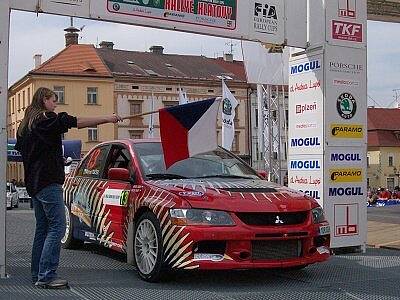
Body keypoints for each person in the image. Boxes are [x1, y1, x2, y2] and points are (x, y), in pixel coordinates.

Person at [15, 87, 122, 289]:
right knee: (56, 227)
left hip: (34, 183)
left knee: (42, 228)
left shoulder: (25, 126)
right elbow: (78, 122)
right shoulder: (47, 119)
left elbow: (30, 152)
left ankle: (37, 274)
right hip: (48, 182)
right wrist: (108, 118)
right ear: (44, 100)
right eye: (54, 100)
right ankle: (47, 276)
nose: (56, 104)